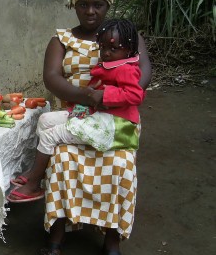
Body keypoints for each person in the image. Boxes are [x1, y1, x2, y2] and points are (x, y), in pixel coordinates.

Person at [7, 0, 152, 255]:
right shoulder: (61, 39)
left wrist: (107, 99)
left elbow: (143, 77)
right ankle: (57, 233)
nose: (90, 11)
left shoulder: (127, 34)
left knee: (121, 165)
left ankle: (112, 241)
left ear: (108, 5)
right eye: (84, 4)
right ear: (74, 4)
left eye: (98, 5)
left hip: (116, 122)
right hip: (80, 115)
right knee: (60, 158)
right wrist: (89, 97)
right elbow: (52, 79)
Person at [7, 18, 145, 204]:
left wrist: (104, 96)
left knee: (50, 136)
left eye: (113, 49)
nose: (105, 53)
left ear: (127, 49)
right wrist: (77, 111)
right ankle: (40, 170)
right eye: (102, 47)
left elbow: (135, 95)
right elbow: (93, 95)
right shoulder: (109, 64)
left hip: (116, 126)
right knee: (45, 120)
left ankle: (34, 184)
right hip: (96, 115)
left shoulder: (125, 69)